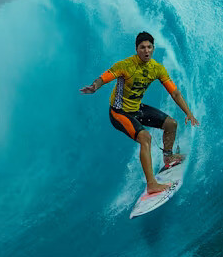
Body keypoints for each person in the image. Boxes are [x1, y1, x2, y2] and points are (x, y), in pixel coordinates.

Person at [81, 32, 200, 195]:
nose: (146, 51)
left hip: (136, 109)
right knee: (145, 137)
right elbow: (104, 78)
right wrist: (95, 87)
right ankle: (151, 184)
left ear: (153, 48)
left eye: (149, 47)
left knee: (171, 124)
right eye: (142, 47)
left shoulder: (157, 68)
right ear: (136, 49)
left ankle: (168, 157)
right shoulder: (125, 65)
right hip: (119, 112)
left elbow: (175, 93)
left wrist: (189, 113)